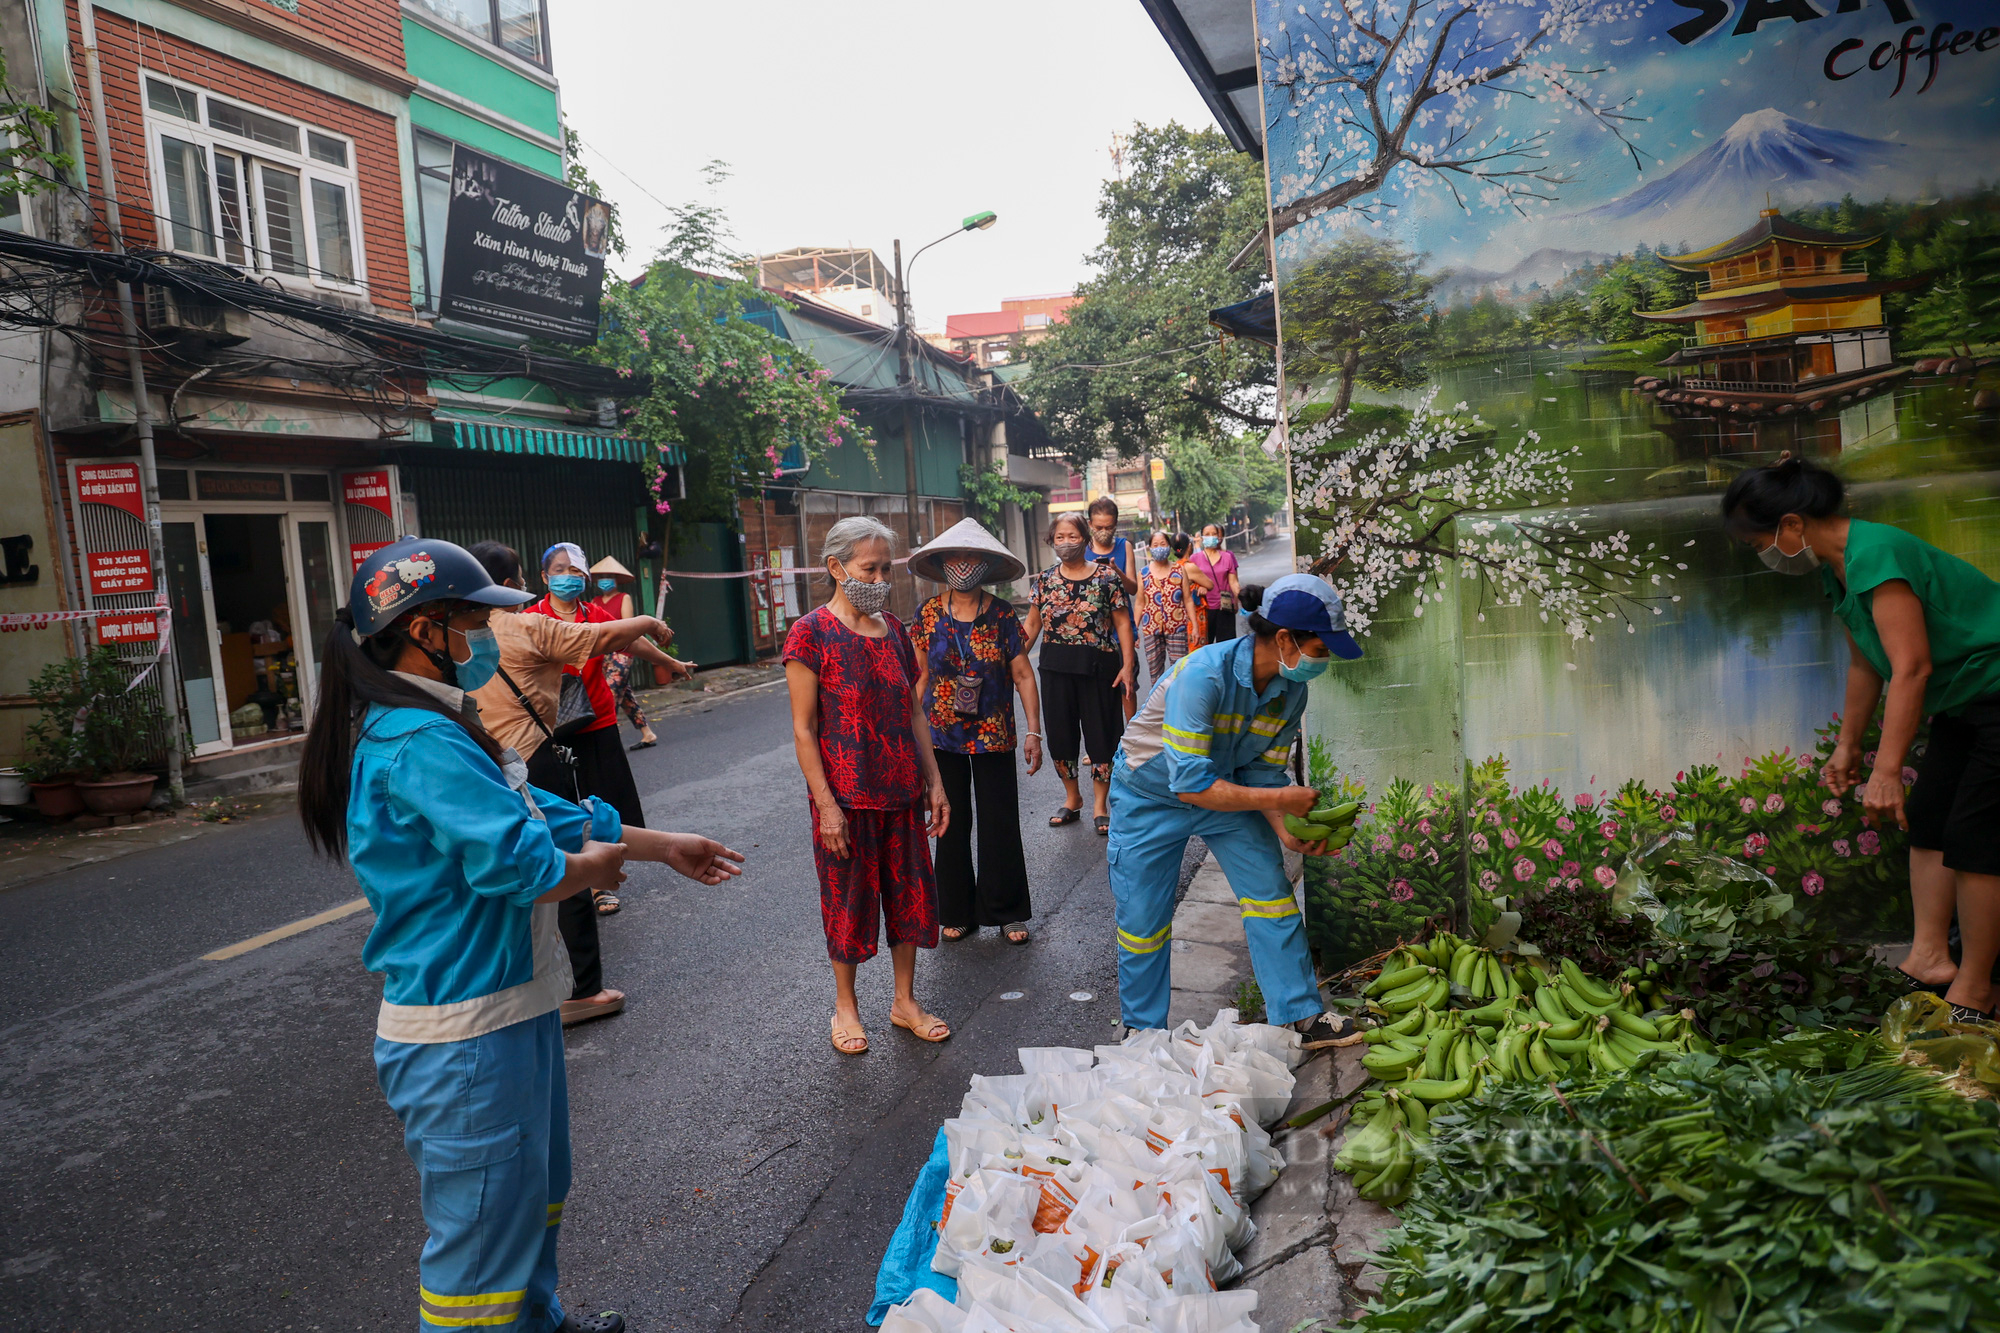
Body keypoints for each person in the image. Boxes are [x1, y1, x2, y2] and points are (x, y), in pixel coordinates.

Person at [297, 537, 743, 1333]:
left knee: (531, 1201)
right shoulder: (417, 741)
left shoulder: (443, 720)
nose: (483, 640)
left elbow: (546, 815)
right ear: (424, 628)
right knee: (476, 1255)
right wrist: (595, 866)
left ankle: (540, 1322)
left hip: (511, 1009)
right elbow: (526, 861)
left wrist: (661, 842)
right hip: (463, 1032)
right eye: (473, 624)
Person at [1721, 457, 2000, 1022]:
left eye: (1760, 543)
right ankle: (1928, 959)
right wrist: (1850, 746)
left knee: (1976, 840)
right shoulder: (1837, 568)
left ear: (1793, 526)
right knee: (1929, 819)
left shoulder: (1877, 554)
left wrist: (1888, 769)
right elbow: (1865, 665)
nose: (1764, 555)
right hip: (1964, 701)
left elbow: (1913, 667)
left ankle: (1974, 989)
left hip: (1995, 687)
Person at [1106, 576, 1365, 1040]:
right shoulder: (1202, 676)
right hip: (1150, 797)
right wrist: (1281, 800)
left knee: (1271, 896)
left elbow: (1263, 773)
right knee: (1143, 922)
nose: (1322, 662)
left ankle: (1299, 1016)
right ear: (1285, 639)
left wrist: (1287, 831)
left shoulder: (1291, 690)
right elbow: (1190, 785)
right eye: (1321, 650)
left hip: (1225, 792)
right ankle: (1141, 1033)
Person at [465, 542, 671, 1023]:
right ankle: (581, 989)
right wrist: (646, 622)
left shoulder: (451, 636)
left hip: (479, 760)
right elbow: (599, 638)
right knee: (565, 860)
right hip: (531, 756)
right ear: (515, 583)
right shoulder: (524, 625)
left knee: (504, 865)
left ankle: (511, 981)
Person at [783, 516, 953, 1055]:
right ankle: (846, 1007)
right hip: (846, 797)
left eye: (885, 567)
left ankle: (904, 1002)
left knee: (910, 898)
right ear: (836, 568)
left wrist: (935, 782)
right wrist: (826, 807)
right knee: (848, 902)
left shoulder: (896, 631)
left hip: (901, 791)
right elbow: (804, 730)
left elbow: (913, 713)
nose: (880, 578)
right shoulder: (810, 633)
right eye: (869, 568)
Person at [908, 518, 1043, 946]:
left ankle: (1007, 912)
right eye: (956, 556)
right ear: (943, 562)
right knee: (949, 820)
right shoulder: (928, 614)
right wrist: (907, 734)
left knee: (999, 821)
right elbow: (920, 677)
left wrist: (1033, 732)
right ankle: (956, 911)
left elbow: (1022, 675)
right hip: (941, 736)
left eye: (972, 557)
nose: (963, 564)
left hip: (994, 734)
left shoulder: (1002, 613)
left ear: (984, 564)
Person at [1023, 512, 1137, 836]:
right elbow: (1031, 626)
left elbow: (1122, 623)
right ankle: (1072, 799)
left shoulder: (1106, 578)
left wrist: (1128, 666)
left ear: (1085, 540)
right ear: (1052, 541)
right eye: (1060, 537)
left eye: (1072, 536)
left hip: (1099, 668)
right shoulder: (1044, 581)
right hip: (1056, 668)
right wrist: (1012, 662)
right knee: (1061, 736)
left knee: (1102, 735)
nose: (1066, 542)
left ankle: (1101, 805)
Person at [588, 557, 663, 751]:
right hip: (603, 653)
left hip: (621, 652)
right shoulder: (594, 602)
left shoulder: (624, 598)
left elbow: (628, 627)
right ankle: (647, 733)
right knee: (625, 695)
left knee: (610, 694)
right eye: (601, 577)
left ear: (616, 579)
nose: (605, 580)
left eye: (609, 576)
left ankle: (604, 740)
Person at [1087, 497, 1141, 722]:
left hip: (1121, 628)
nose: (1103, 531)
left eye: (1108, 527)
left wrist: (1116, 571)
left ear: (1116, 524)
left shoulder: (1124, 546)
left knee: (1126, 685)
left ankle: (1132, 740)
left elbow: (1133, 588)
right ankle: (1100, 746)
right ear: (1090, 524)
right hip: (1092, 629)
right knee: (1094, 691)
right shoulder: (1082, 549)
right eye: (1098, 527)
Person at [1138, 529, 1205, 685]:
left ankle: (1179, 704)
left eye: (1163, 544)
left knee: (1180, 672)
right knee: (1156, 675)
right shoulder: (1143, 573)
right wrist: (1134, 629)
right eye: (1155, 545)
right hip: (1151, 629)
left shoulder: (1179, 570)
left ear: (1169, 547)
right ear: (1149, 549)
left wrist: (1194, 626)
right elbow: (1140, 603)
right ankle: (1159, 707)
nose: (1159, 547)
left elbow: (1187, 599)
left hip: (1177, 627)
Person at [1191, 523, 1242, 644]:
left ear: (1219, 537)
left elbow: (1233, 582)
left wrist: (1240, 598)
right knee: (1204, 646)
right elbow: (1189, 584)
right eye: (1207, 534)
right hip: (1203, 609)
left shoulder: (1227, 557)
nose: (1211, 537)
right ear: (1202, 538)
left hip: (1224, 607)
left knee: (1226, 647)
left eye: (1214, 534)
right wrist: (1199, 587)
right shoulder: (1194, 558)